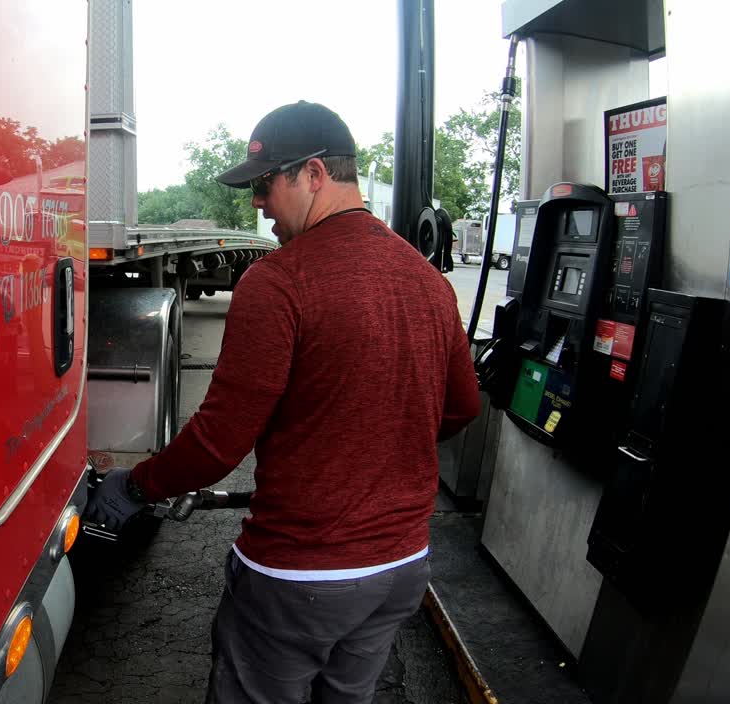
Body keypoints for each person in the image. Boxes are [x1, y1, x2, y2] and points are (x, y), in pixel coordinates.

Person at [85, 101, 481, 704]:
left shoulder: (279, 282)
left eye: (266, 184)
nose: (257, 203)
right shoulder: (429, 281)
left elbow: (219, 441)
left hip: (298, 576)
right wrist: (372, 443)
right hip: (400, 568)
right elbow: (461, 409)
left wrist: (136, 487)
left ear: (314, 174)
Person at [437, 207, 455, 272]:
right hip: (447, 236)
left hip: (445, 236)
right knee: (447, 250)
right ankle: (448, 266)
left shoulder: (440, 214)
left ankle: (447, 266)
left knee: (446, 250)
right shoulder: (443, 215)